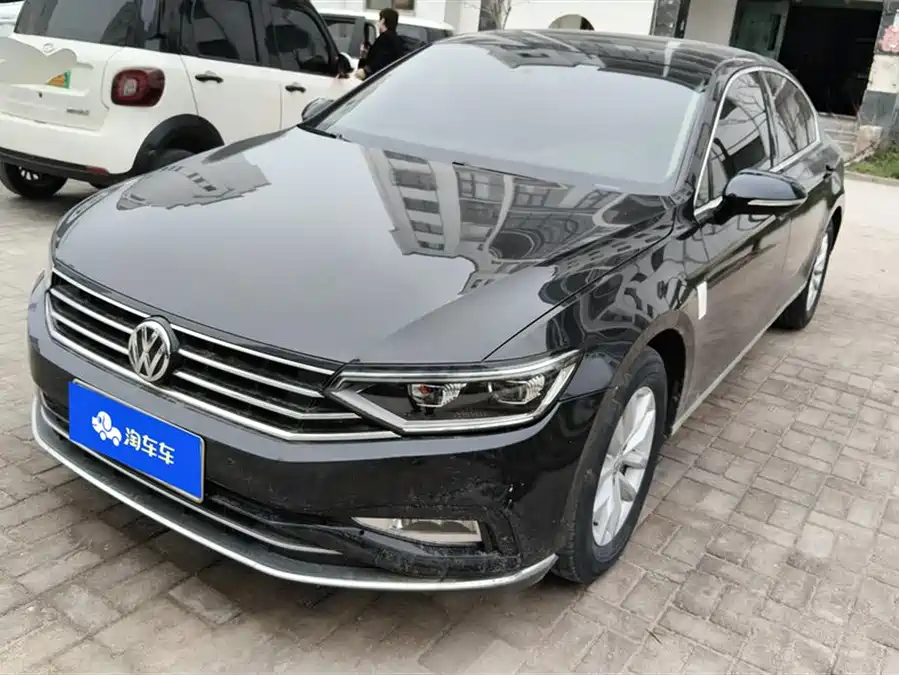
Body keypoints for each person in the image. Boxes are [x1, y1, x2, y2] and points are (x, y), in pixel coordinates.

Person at [355, 8, 406, 80]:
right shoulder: (396, 39)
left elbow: (382, 60)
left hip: (378, 80)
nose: (378, 22)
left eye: (379, 19)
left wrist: (365, 71)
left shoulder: (385, 38)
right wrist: (365, 55)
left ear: (383, 20)